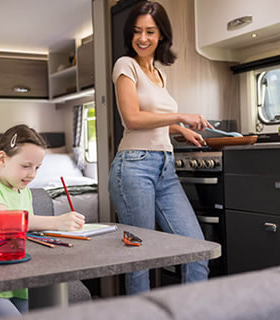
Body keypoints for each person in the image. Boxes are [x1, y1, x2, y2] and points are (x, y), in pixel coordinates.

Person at [109, 0, 213, 295]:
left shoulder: (159, 73)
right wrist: (180, 116)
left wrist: (178, 130)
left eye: (150, 32)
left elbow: (152, 119)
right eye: (138, 31)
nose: (143, 38)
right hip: (133, 167)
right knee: (140, 258)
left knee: (198, 250)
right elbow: (132, 118)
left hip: (165, 169)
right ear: (130, 34)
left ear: (161, 36)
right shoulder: (125, 65)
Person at [0, 124, 85, 316]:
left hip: (20, 281)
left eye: (37, 168)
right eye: (25, 166)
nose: (32, 174)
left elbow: (26, 228)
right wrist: (56, 222)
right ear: (2, 159)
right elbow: (3, 220)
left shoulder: (25, 192)